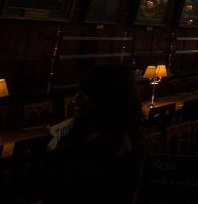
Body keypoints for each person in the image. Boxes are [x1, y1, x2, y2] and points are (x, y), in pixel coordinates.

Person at [45, 64, 144, 204]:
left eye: (86, 93)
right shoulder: (80, 133)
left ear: (108, 98)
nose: (75, 99)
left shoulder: (121, 146)